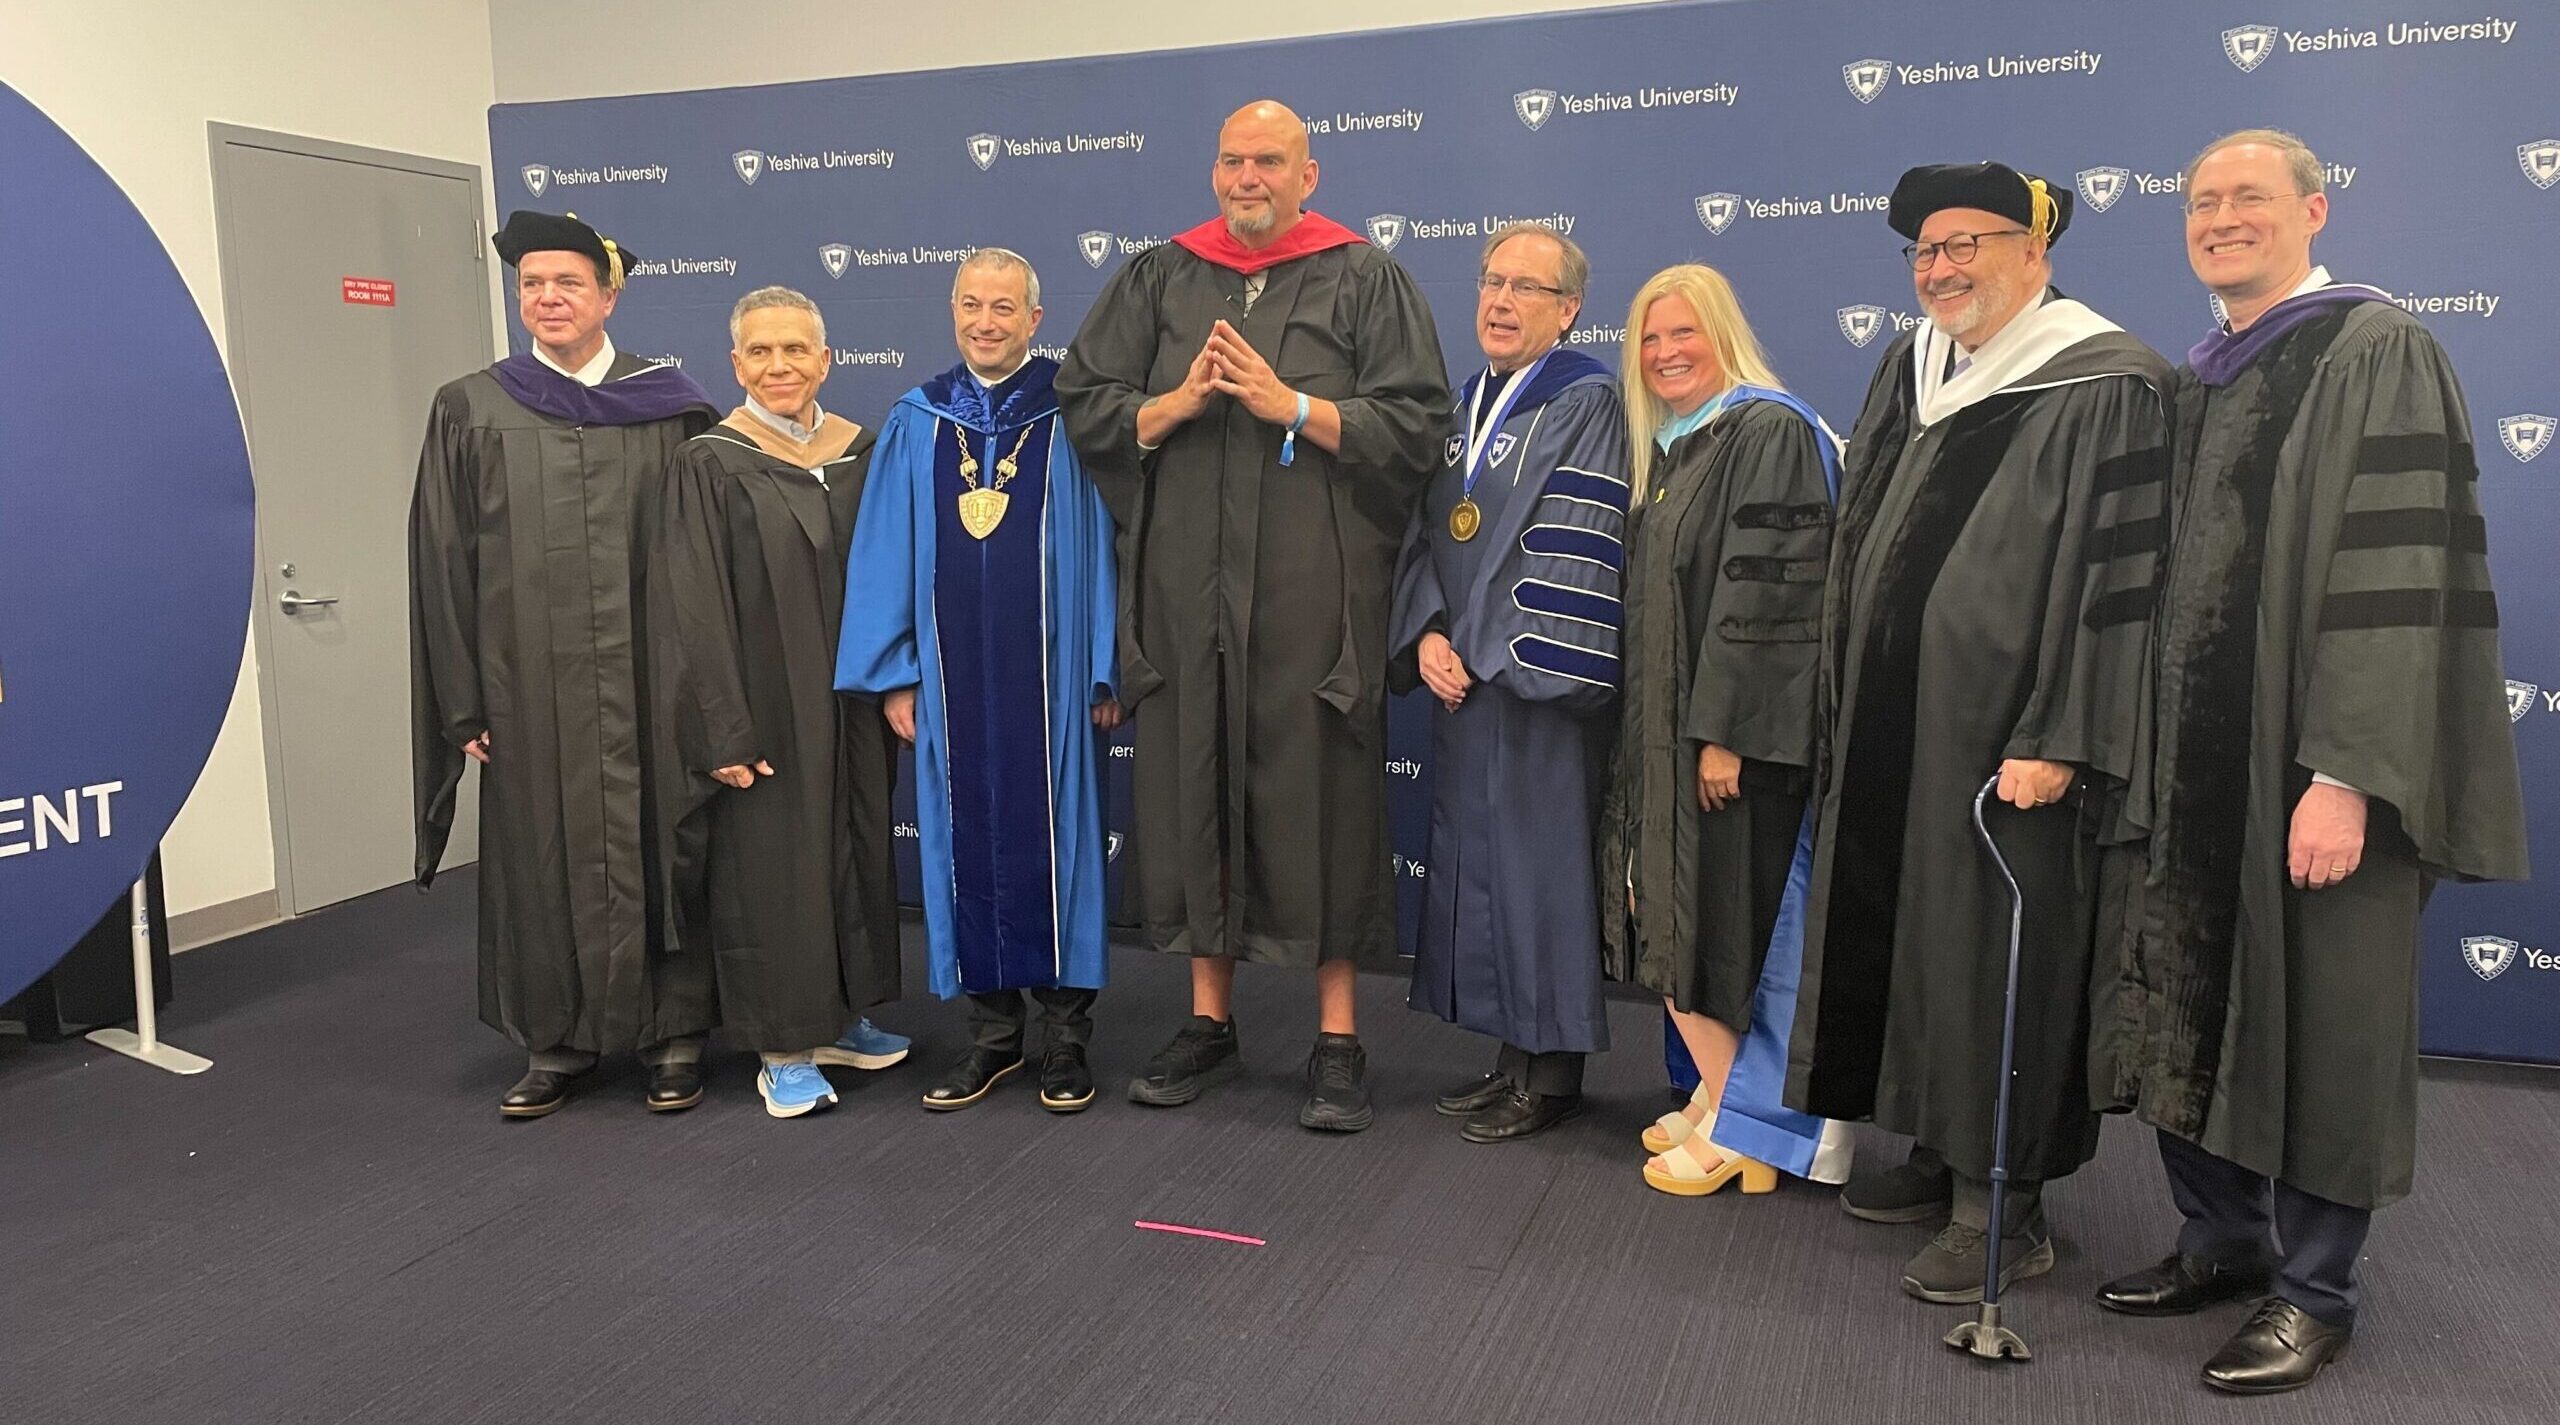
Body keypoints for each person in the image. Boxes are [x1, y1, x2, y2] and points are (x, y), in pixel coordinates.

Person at [2087, 129, 2528, 1395]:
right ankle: (2220, 1240)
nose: (2220, 216)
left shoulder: (2373, 349)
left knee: (2325, 1024)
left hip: (2312, 774)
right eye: (2201, 201)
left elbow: (2396, 581)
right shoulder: (2199, 376)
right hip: (2190, 775)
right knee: (2183, 996)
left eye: (2248, 197)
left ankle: (2316, 1289)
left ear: (2312, 210)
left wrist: (2343, 773)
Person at [1783, 163, 2173, 1301]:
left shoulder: (2107, 382)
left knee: (1999, 961)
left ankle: (2005, 1200)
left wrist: (2060, 733)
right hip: (1900, 728)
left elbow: (2122, 589)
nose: (1941, 267)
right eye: (1925, 250)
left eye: (1969, 244)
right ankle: (1933, 1143)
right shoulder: (1913, 369)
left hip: (2013, 746)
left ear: (2035, 251)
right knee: (1912, 943)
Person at [1057, 100, 1449, 1131]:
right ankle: (1207, 1022)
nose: (1248, 178)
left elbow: (1416, 427)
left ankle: (1335, 1039)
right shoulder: (1158, 279)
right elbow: (1087, 407)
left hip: (1310, 605)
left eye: (1269, 160)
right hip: (1189, 598)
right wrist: (1177, 403)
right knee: (1195, 795)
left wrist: (1295, 409)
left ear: (1307, 175)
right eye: (1232, 159)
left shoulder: (1366, 280)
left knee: (1318, 802)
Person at [411, 210, 720, 1117]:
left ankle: (675, 1033)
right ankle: (557, 1039)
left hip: (651, 678)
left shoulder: (670, 406)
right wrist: (462, 700)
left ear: (609, 295)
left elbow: (704, 558)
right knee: (539, 851)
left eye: (568, 284)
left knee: (666, 838)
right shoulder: (472, 407)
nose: (547, 299)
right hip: (527, 686)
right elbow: (442, 559)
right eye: (531, 285)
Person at [839, 249, 1120, 1114]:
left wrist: (1103, 662)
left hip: (1055, 679)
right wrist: (894, 675)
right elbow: (885, 554)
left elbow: (1112, 548)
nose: (986, 321)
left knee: (1061, 841)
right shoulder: (917, 420)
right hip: (953, 684)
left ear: (1036, 319)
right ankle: (993, 1034)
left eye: (1004, 306)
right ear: (952, 311)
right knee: (964, 838)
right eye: (971, 305)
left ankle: (1065, 1035)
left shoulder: (1073, 416)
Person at [1597, 264, 1853, 1197]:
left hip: (1730, 749)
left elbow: (1774, 594)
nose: (1665, 354)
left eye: (1683, 335)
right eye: (1649, 341)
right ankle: (1720, 1097)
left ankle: (1762, 1130)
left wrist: (1728, 735)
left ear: (1723, 334)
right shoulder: (1675, 449)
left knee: (1722, 928)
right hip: (1670, 738)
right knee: (1677, 921)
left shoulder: (1768, 431)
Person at [1387, 223, 1627, 1143]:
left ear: (1568, 310)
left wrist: (1484, 649)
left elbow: (1572, 542)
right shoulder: (1462, 407)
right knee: (1485, 866)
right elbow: (1422, 536)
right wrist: (1431, 635)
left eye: (1526, 288)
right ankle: (1511, 1053)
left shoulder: (1588, 402)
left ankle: (1554, 1066)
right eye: (1491, 282)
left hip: (1535, 681)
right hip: (1469, 679)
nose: (1499, 300)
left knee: (1540, 868)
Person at [657, 286, 908, 1120]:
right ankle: (782, 1047)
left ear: (826, 360)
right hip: (764, 699)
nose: (779, 367)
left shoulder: (859, 451)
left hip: (852, 691)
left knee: (854, 844)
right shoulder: (710, 461)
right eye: (760, 352)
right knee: (774, 866)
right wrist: (722, 724)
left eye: (796, 350)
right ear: (735, 365)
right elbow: (690, 602)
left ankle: (840, 1016)